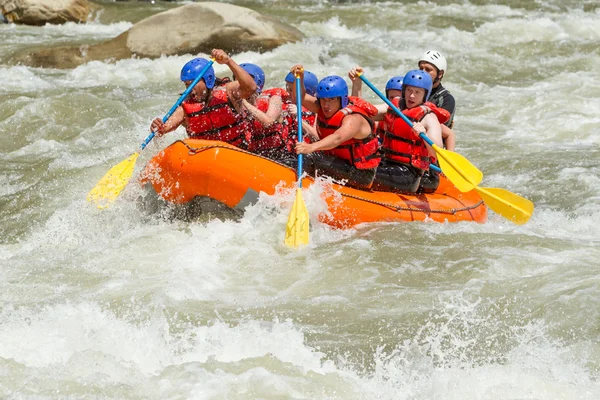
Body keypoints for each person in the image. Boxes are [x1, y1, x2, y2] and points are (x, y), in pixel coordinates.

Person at [291, 65, 381, 190]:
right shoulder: (322, 107)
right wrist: (299, 79)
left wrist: (311, 147)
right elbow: (300, 97)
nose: (326, 105)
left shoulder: (353, 119)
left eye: (331, 100)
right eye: (323, 100)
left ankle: (299, 190)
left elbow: (337, 138)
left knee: (310, 157)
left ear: (342, 100)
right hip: (338, 163)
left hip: (360, 174)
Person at [149, 49, 257, 148]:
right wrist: (158, 127)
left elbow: (251, 87)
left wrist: (228, 61)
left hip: (238, 153)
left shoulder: (228, 92)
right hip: (205, 158)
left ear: (208, 80)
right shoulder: (185, 106)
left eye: (192, 84)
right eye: (186, 85)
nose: (189, 89)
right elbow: (163, 129)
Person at [372, 69, 443, 193]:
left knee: (363, 171)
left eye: (417, 92)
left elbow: (437, 153)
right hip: (387, 163)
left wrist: (424, 135)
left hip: (408, 175)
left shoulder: (429, 118)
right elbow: (370, 111)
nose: (411, 95)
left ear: (425, 94)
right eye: (409, 90)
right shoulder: (395, 106)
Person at [418, 50, 456, 151]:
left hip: (430, 149)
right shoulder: (410, 90)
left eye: (428, 69)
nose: (423, 72)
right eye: (421, 68)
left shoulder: (447, 99)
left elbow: (442, 130)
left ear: (440, 74)